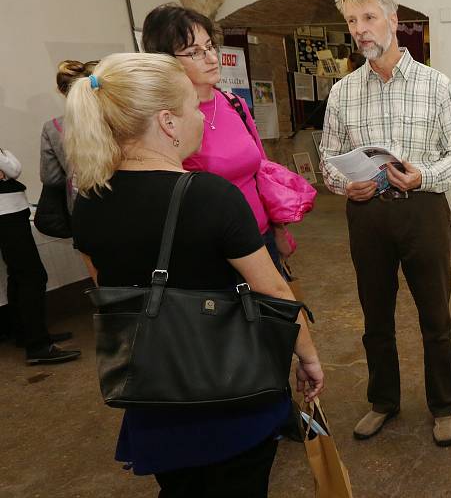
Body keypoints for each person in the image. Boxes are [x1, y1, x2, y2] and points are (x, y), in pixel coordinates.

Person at [64, 52, 324, 495]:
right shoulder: (210, 197)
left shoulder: (90, 201)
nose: (201, 118)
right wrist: (309, 357)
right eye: (192, 107)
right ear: (167, 122)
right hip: (227, 391)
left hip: (153, 391)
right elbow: (274, 293)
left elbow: (108, 287)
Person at [320, 0, 451, 447]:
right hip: (367, 214)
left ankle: (444, 406)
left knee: (435, 315)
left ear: (393, 20)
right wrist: (347, 184)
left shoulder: (436, 85)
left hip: (422, 210)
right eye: (352, 22)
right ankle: (382, 401)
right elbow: (327, 156)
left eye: (368, 18)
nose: (360, 30)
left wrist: (423, 176)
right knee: (375, 316)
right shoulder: (343, 91)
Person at [142, 4, 315, 279]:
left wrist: (279, 231)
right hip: (214, 250)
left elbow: (262, 172)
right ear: (167, 62)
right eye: (195, 52)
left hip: (261, 238)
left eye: (210, 46)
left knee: (281, 318)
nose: (211, 58)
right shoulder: (166, 120)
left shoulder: (233, 103)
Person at [0, 148, 80, 364]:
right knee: (32, 276)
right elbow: (13, 169)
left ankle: (25, 335)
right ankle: (38, 345)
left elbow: (11, 168)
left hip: (12, 212)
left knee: (18, 275)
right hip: (6, 215)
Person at [40, 60, 98, 217]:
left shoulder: (52, 128)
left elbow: (51, 178)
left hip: (83, 207)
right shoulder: (117, 118)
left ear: (60, 90)